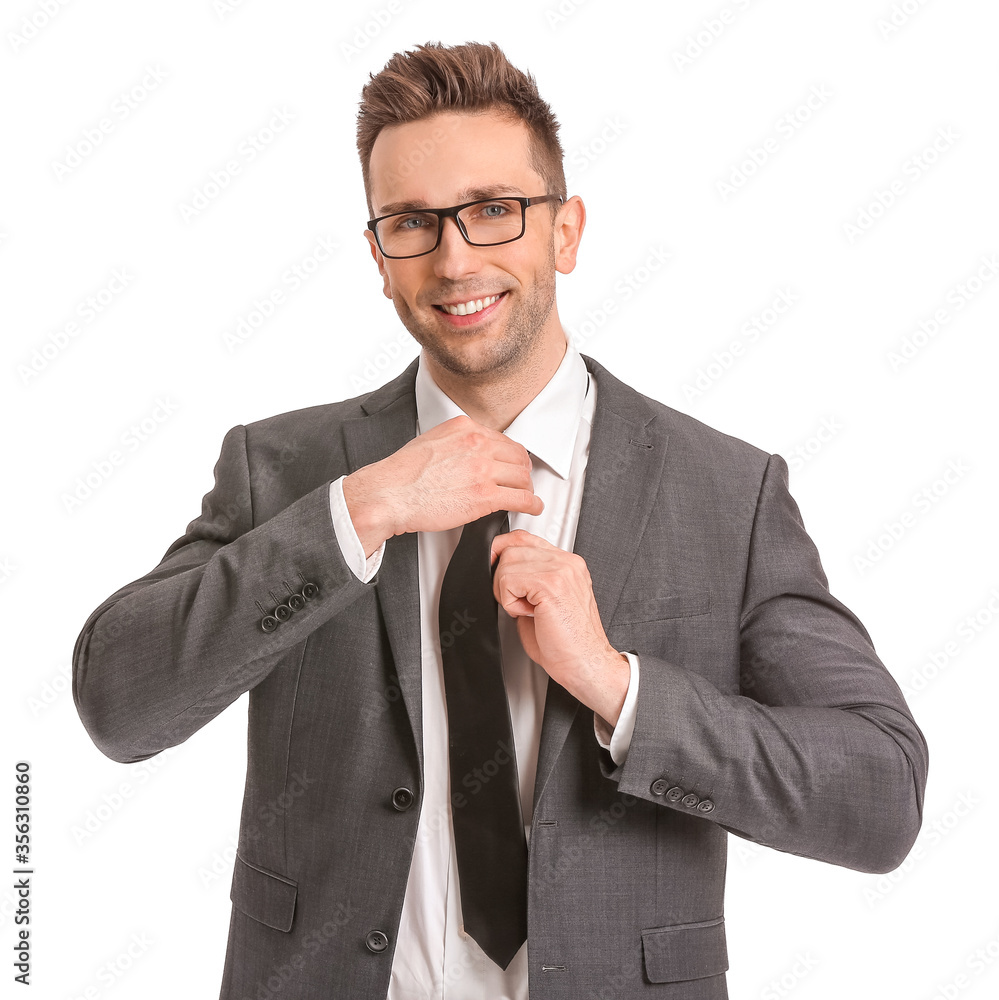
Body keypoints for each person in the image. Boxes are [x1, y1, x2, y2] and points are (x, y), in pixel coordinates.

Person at [72, 40, 929, 1000]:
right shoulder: (286, 472)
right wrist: (364, 508)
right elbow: (118, 703)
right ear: (377, 259)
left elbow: (880, 795)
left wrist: (617, 687)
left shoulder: (723, 493)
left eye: (492, 211)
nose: (453, 259)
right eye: (411, 222)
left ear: (564, 231)